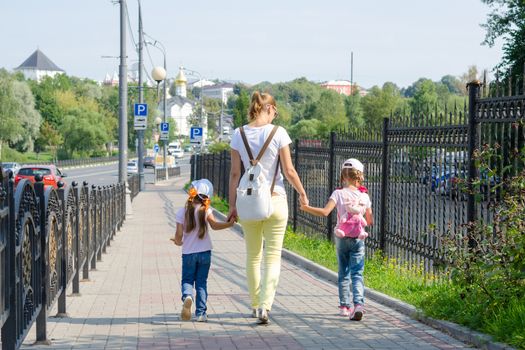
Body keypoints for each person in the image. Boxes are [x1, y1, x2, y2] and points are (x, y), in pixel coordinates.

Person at [228, 91, 309, 324]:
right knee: (272, 257)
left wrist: (232, 206)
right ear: (269, 108)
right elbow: (289, 171)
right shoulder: (278, 133)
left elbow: (235, 174)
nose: (276, 115)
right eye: (275, 110)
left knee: (253, 257)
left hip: (249, 202)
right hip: (275, 200)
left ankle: (254, 305)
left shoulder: (238, 134)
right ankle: (265, 306)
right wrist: (302, 193)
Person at [301, 158, 373, 321]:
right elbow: (369, 220)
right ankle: (359, 304)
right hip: (358, 238)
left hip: (341, 238)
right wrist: (359, 216)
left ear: (343, 175)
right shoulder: (365, 196)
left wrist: (306, 208)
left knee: (343, 272)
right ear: (360, 176)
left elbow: (325, 212)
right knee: (357, 273)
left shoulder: (338, 193)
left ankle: (345, 306)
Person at [171, 179, 235, 322]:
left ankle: (188, 296)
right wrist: (229, 224)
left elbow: (179, 236)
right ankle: (201, 313)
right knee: (201, 282)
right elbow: (214, 225)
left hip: (188, 254)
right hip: (205, 252)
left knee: (187, 280)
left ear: (192, 193)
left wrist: (177, 242)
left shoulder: (182, 212)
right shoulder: (206, 210)